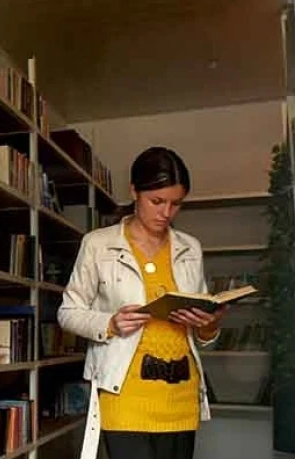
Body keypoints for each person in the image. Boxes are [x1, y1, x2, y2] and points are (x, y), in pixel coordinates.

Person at [57, 146, 227, 459]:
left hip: (181, 396)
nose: (166, 213)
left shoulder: (191, 248)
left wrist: (209, 325)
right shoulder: (98, 244)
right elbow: (67, 312)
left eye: (176, 204)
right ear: (134, 191)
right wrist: (110, 323)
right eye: (157, 201)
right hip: (125, 395)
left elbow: (202, 331)